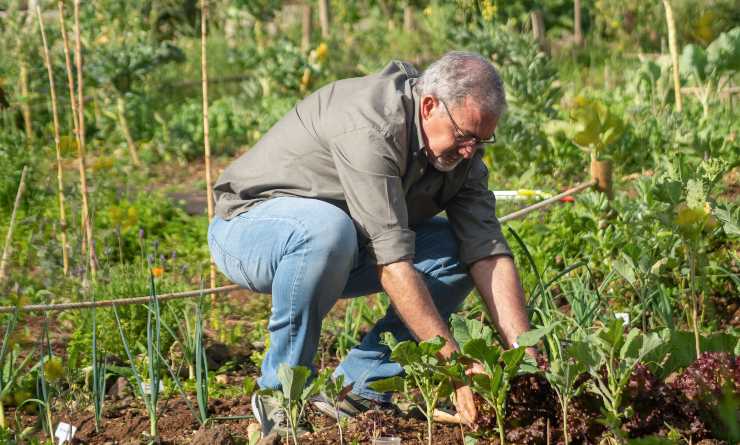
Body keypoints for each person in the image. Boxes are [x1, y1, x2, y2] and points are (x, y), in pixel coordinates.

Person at [208, 51, 534, 437]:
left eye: (481, 141)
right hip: (251, 229)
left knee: (454, 250)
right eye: (464, 136)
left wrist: (525, 357)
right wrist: (455, 368)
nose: (469, 151)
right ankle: (281, 394)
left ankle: (356, 389)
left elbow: (487, 252)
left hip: (341, 245)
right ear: (429, 106)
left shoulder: (462, 157)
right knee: (328, 230)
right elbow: (394, 266)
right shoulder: (371, 126)